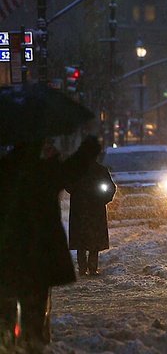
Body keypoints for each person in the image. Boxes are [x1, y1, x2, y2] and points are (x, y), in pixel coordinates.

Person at [0, 135, 102, 353]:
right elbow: (72, 170)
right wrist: (89, 148)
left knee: (7, 297)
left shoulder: (6, 170)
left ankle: (8, 338)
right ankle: (33, 339)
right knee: (35, 300)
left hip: (8, 249)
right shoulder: (42, 172)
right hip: (38, 249)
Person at [65, 151, 116, 276]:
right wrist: (103, 199)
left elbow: (68, 186)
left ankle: (83, 268)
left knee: (81, 240)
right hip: (95, 208)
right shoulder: (101, 170)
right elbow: (111, 188)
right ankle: (92, 268)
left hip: (79, 209)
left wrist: (78, 193)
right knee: (94, 239)